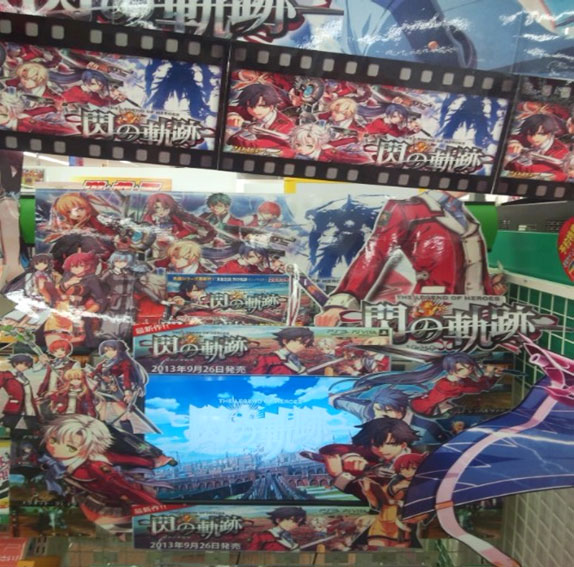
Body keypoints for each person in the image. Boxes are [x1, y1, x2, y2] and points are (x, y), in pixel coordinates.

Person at [316, 190, 502, 325]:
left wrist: (489, 290)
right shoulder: (407, 209)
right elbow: (375, 253)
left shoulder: (464, 214)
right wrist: (344, 300)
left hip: (479, 316)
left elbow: (467, 263)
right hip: (433, 312)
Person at [41, 415, 173, 514]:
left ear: (87, 450)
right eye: (53, 440)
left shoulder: (95, 466)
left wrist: (159, 510)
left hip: (106, 503)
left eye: (71, 447)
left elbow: (127, 489)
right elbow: (117, 458)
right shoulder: (52, 455)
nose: (55, 448)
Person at [313, 418, 419, 502]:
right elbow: (328, 449)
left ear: (403, 445)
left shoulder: (417, 462)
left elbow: (378, 499)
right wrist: (349, 457)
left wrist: (339, 475)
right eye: (375, 444)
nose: (381, 449)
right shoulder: (374, 452)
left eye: (389, 444)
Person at [43, 251, 107, 348]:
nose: (76, 269)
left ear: (88, 266)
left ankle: (88, 346)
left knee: (84, 329)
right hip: (63, 308)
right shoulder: (68, 275)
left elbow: (101, 300)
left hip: (82, 309)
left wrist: (86, 312)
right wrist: (67, 283)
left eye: (80, 266)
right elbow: (57, 292)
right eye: (73, 266)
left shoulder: (91, 279)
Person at [100, 251, 165, 339]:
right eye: (117, 261)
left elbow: (142, 288)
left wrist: (158, 299)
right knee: (110, 324)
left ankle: (123, 339)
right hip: (114, 302)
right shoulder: (108, 274)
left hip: (129, 303)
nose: (120, 263)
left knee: (126, 327)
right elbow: (99, 285)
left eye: (123, 261)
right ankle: (108, 338)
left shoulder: (131, 275)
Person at [91, 340, 150, 434]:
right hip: (106, 390)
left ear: (118, 350)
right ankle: (101, 432)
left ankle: (129, 435)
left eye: (111, 350)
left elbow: (127, 378)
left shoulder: (125, 363)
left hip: (119, 390)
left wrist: (128, 392)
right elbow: (95, 371)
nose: (108, 353)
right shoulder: (106, 362)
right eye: (106, 351)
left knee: (123, 415)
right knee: (100, 412)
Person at [409, 355, 498, 417]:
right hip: (422, 407)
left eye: (469, 368)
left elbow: (482, 386)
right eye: (460, 369)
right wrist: (488, 374)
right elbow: (478, 388)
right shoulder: (448, 385)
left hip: (432, 406)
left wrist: (492, 375)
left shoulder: (461, 381)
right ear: (450, 369)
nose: (467, 371)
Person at [141, 194, 215, 259]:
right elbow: (147, 236)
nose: (161, 211)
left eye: (165, 208)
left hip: (178, 241)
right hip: (159, 245)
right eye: (157, 208)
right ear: (151, 207)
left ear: (171, 207)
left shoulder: (175, 214)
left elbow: (194, 220)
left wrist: (208, 229)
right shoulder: (148, 220)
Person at [227, 83, 294, 149]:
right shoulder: (249, 111)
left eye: (261, 106)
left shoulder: (286, 125)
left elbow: (256, 145)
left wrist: (229, 137)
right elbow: (228, 108)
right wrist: (232, 115)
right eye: (251, 106)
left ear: (271, 106)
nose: (255, 110)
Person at [505, 113, 569, 181]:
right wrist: (511, 143)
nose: (534, 138)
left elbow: (530, 171)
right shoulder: (526, 137)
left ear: (549, 133)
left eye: (540, 133)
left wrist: (508, 158)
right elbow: (508, 138)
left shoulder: (561, 151)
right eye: (530, 134)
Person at [0, 354, 40, 430]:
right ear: (15, 363)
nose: (25, 367)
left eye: (28, 366)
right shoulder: (6, 375)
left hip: (29, 407)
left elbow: (27, 392)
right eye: (24, 364)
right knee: (7, 427)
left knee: (34, 428)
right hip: (14, 406)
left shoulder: (23, 377)